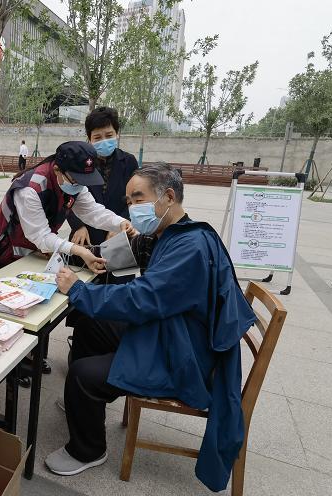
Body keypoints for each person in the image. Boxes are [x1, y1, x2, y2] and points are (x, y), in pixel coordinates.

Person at [44, 163, 256, 493]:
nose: (131, 208)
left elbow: (144, 298)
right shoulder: (172, 234)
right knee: (87, 321)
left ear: (167, 197)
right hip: (170, 331)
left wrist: (80, 289)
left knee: (83, 373)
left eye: (137, 198)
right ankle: (83, 404)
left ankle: (88, 449)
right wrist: (85, 256)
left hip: (183, 354)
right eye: (128, 201)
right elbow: (131, 266)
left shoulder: (190, 247)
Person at [0, 141, 135, 274]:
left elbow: (93, 211)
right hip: (5, 253)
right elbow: (41, 236)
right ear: (58, 170)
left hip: (34, 255)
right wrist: (78, 250)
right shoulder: (30, 190)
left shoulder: (73, 185)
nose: (81, 185)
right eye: (76, 180)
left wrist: (120, 223)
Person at [68, 106, 138, 248]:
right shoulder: (80, 163)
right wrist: (79, 226)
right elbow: (69, 198)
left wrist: (120, 225)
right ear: (89, 139)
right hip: (85, 235)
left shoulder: (129, 161)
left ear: (117, 133)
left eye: (109, 135)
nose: (104, 141)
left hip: (120, 234)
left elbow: (134, 200)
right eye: (98, 137)